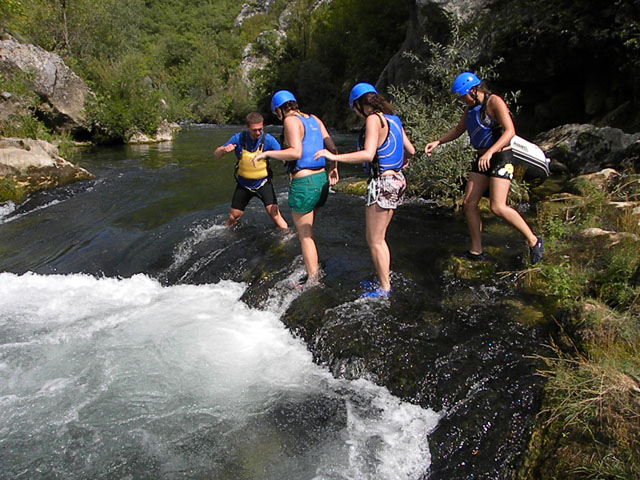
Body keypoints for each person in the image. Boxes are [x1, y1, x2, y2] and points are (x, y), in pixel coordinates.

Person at [424, 72, 544, 264]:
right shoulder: (470, 108)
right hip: (482, 158)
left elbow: (510, 131)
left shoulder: (494, 102)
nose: (463, 101)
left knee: (497, 207)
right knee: (469, 203)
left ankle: (534, 241)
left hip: (501, 157)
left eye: (464, 96)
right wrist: (438, 141)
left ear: (473, 90)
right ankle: (476, 250)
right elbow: (458, 130)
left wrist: (490, 153)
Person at [315, 83, 415, 298]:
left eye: (355, 109)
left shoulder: (373, 119)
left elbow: (368, 155)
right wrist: (400, 161)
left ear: (360, 105)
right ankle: (383, 278)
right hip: (398, 180)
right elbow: (411, 150)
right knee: (380, 238)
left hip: (383, 183)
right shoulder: (393, 118)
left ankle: (384, 287)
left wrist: (334, 157)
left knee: (375, 240)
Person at [252, 90, 339, 284]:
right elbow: (332, 147)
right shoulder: (314, 118)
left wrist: (267, 154)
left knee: (305, 236)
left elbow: (295, 152)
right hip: (321, 180)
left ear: (279, 109)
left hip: (305, 183)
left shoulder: (291, 121)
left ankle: (312, 280)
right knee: (308, 230)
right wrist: (334, 168)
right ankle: (312, 264)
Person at [213, 112, 288, 229]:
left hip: (263, 183)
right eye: (254, 130)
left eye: (260, 129)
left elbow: (284, 156)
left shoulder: (268, 140)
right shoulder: (238, 138)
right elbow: (216, 154)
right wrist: (223, 149)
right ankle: (222, 234)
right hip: (244, 184)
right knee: (233, 217)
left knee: (274, 215)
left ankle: (287, 235)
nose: (258, 133)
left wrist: (292, 171)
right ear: (247, 127)